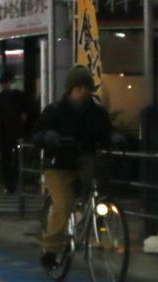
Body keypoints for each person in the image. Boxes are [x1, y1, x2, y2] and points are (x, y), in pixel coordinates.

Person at [34, 65, 113, 270]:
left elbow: (106, 135)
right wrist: (48, 137)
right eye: (79, 87)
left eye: (87, 87)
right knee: (64, 205)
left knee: (100, 184)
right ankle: (50, 249)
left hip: (85, 161)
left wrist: (114, 139)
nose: (84, 91)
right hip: (58, 165)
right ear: (70, 89)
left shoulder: (97, 113)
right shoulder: (54, 111)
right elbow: (37, 134)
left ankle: (95, 218)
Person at [0, 70, 34, 193]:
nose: (10, 85)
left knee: (12, 160)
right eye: (9, 82)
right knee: (9, 160)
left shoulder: (17, 97)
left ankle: (11, 184)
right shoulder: (4, 98)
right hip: (9, 135)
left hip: (13, 134)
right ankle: (10, 184)